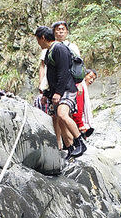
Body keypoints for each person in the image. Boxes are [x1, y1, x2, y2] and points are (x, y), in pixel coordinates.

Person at [34, 26, 87, 159]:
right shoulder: (49, 52)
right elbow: (50, 76)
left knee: (63, 115)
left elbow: (63, 72)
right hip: (56, 91)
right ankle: (70, 148)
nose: (38, 43)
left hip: (66, 89)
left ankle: (80, 141)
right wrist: (46, 95)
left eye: (38, 40)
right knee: (59, 120)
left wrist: (58, 93)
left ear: (43, 38)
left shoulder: (59, 48)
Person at [72, 68, 97, 138]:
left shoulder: (83, 88)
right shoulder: (80, 88)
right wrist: (80, 124)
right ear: (84, 75)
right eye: (90, 77)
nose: (91, 80)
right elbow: (78, 107)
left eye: (94, 79)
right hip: (75, 122)